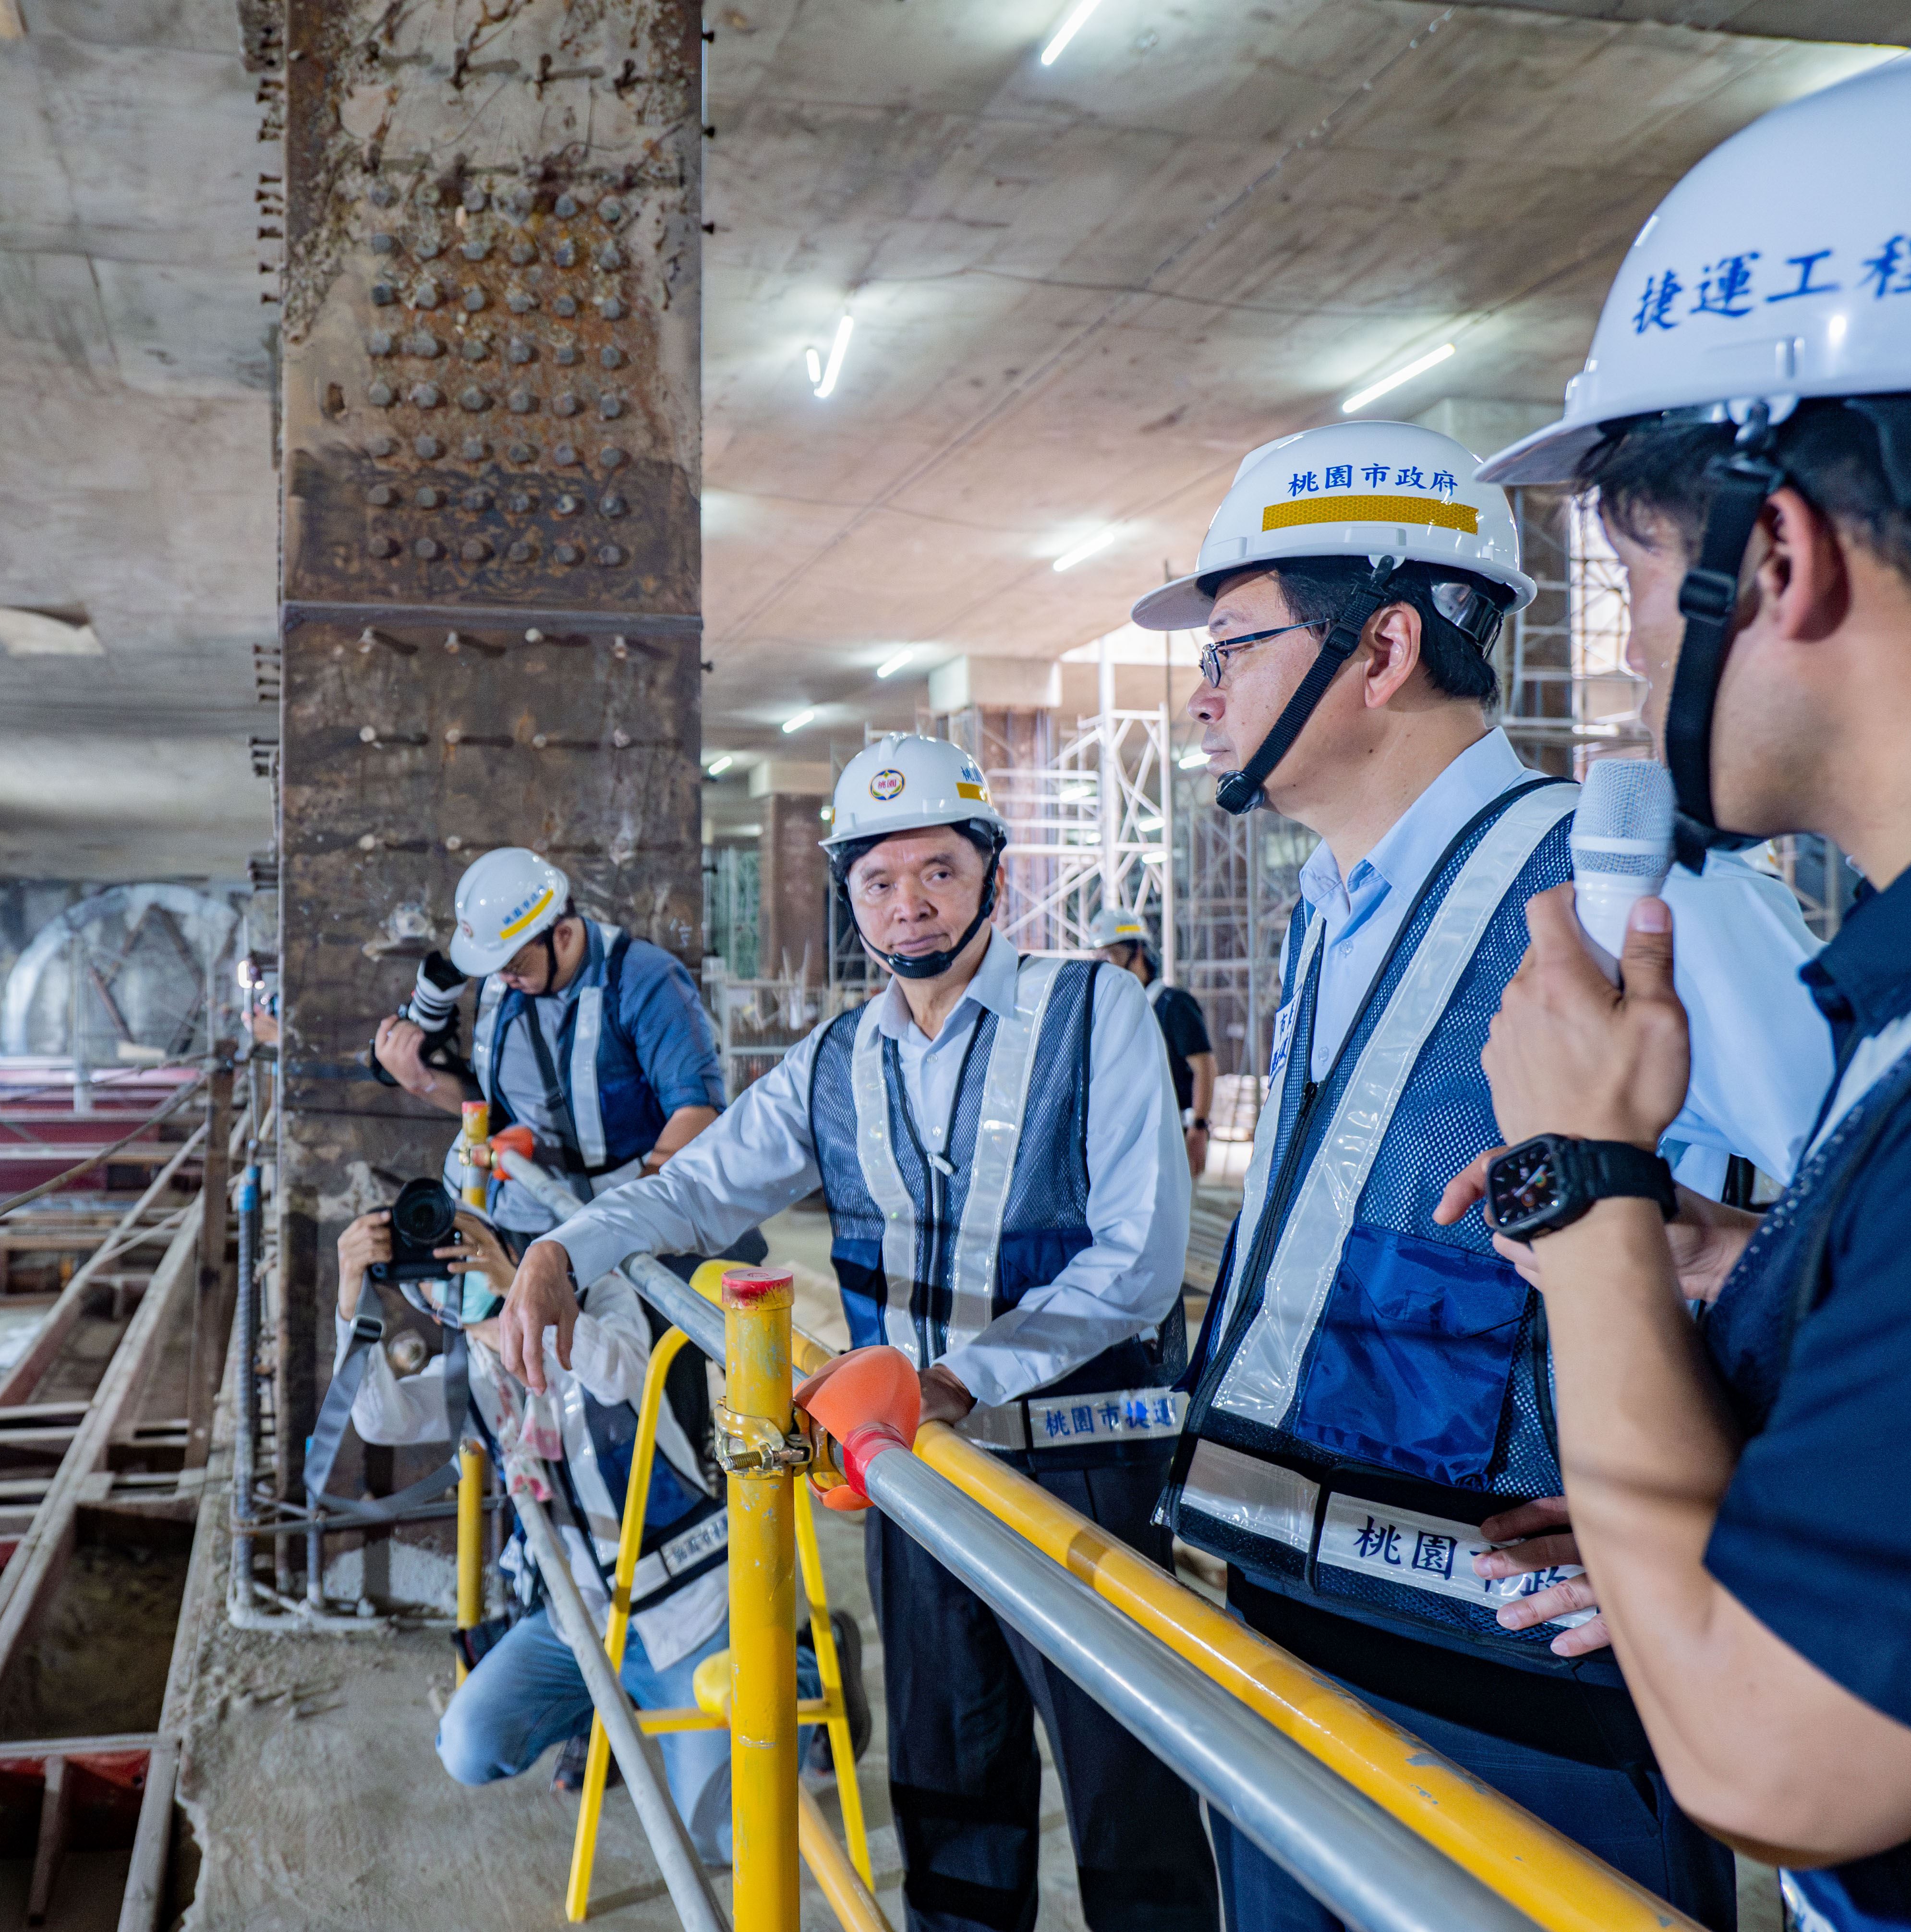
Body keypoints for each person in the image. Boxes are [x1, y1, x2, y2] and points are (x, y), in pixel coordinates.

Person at [1131, 418, 1832, 1930]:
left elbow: (1901, 1261)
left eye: (1230, 644)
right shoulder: (1333, 907)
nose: (1202, 695)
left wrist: (1757, 1522)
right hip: (1292, 1642)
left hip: (1531, 1713)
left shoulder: (1638, 892)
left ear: (1381, 647)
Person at [1449, 39, 1911, 1927]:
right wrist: (1743, 1280)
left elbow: (1781, 1764)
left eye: (1628, 568)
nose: (1607, 645)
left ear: (1776, 555)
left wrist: (1589, 1199)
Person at [501, 734, 1217, 1932]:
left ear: (993, 871)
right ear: (849, 897)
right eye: (879, 881)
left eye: (938, 869)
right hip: (914, 1473)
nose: (909, 903)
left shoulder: (1095, 1011)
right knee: (949, 1779)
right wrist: (564, 1248)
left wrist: (949, 1377)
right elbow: (696, 1186)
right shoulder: (834, 1058)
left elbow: (1138, 1260)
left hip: (1079, 1463)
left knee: (1123, 1794)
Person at [324, 1202, 738, 1848]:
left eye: (467, 1241)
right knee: (469, 1746)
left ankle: (797, 1661)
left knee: (718, 1840)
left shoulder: (602, 1290)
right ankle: (609, 1705)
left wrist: (513, 1290)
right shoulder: (475, 1364)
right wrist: (353, 1298)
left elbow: (619, 1373)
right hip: (580, 1621)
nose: (450, 1274)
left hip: (687, 1605)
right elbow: (383, 1420)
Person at [374, 846, 726, 1243]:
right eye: (497, 968)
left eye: (514, 965)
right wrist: (420, 1080)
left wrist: (632, 1221)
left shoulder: (645, 980)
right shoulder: (503, 986)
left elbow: (698, 1111)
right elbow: (490, 1108)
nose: (505, 978)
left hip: (615, 1224)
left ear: (561, 934)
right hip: (516, 1219)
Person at [1093, 911, 1217, 1176]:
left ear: (1136, 953)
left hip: (1173, 1135)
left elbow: (1204, 1067)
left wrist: (1198, 1128)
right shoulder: (1118, 1010)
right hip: (1131, 1139)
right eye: (1099, 958)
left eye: (1110, 955)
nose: (1104, 966)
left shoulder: (1173, 1005)